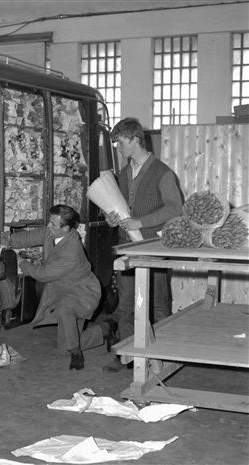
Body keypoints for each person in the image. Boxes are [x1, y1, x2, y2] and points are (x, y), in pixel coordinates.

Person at [103, 117, 183, 373]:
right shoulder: (124, 173)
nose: (118, 147)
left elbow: (175, 209)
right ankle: (131, 358)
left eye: (121, 142)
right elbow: (118, 207)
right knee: (126, 306)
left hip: (154, 249)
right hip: (128, 248)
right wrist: (111, 217)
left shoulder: (163, 172)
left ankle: (165, 358)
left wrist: (141, 222)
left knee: (158, 306)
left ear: (136, 139)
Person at [11, 204, 117, 370]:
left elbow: (44, 274)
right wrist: (0, 242)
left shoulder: (72, 251)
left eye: (52, 224)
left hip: (83, 293)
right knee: (63, 350)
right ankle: (105, 329)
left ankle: (76, 353)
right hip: (63, 291)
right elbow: (27, 238)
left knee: (63, 309)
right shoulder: (52, 231)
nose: (48, 226)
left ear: (66, 228)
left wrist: (19, 261)